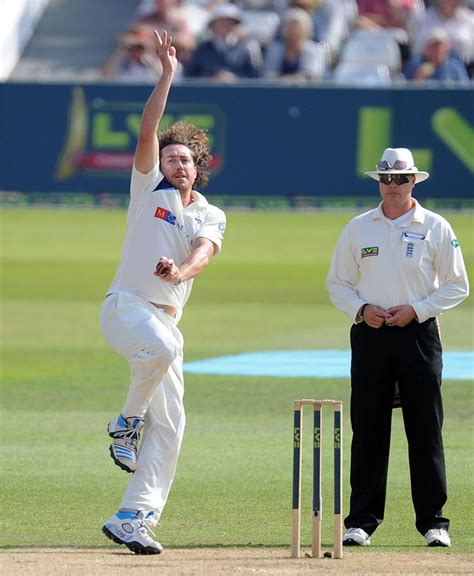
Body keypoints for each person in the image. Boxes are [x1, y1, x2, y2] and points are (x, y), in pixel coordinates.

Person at [100, 30, 226, 554]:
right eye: (170, 158)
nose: (176, 165)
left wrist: (181, 273)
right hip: (126, 307)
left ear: (198, 167)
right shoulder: (146, 187)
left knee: (172, 424)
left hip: (166, 316)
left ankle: (134, 515)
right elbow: (149, 127)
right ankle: (125, 422)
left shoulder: (209, 213)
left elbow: (204, 252)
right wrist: (168, 75)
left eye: (185, 160)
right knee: (166, 348)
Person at [326, 147, 469, 549]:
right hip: (370, 333)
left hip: (418, 333)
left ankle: (434, 523)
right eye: (386, 179)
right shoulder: (359, 227)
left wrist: (418, 310)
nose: (393, 186)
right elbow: (337, 281)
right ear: (379, 182)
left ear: (413, 181)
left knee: (425, 429)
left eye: (400, 179)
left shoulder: (436, 226)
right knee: (369, 429)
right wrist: (361, 309)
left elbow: (458, 284)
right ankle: (361, 522)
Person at [184, 3, 264, 81]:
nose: (226, 26)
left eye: (230, 23)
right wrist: (211, 78)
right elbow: (190, 76)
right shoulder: (202, 50)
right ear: (213, 25)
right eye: (222, 22)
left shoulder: (245, 51)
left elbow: (253, 77)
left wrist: (235, 79)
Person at [263, 7, 329, 82]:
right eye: (291, 27)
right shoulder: (274, 50)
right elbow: (268, 76)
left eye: (298, 28)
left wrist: (285, 81)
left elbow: (311, 77)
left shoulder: (314, 50)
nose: (294, 31)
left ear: (306, 30)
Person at [404, 28, 469, 83]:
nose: (437, 50)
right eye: (433, 46)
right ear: (426, 48)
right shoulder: (415, 65)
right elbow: (404, 92)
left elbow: (465, 92)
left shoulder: (455, 67)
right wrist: (416, 80)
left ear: (448, 48)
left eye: (440, 46)